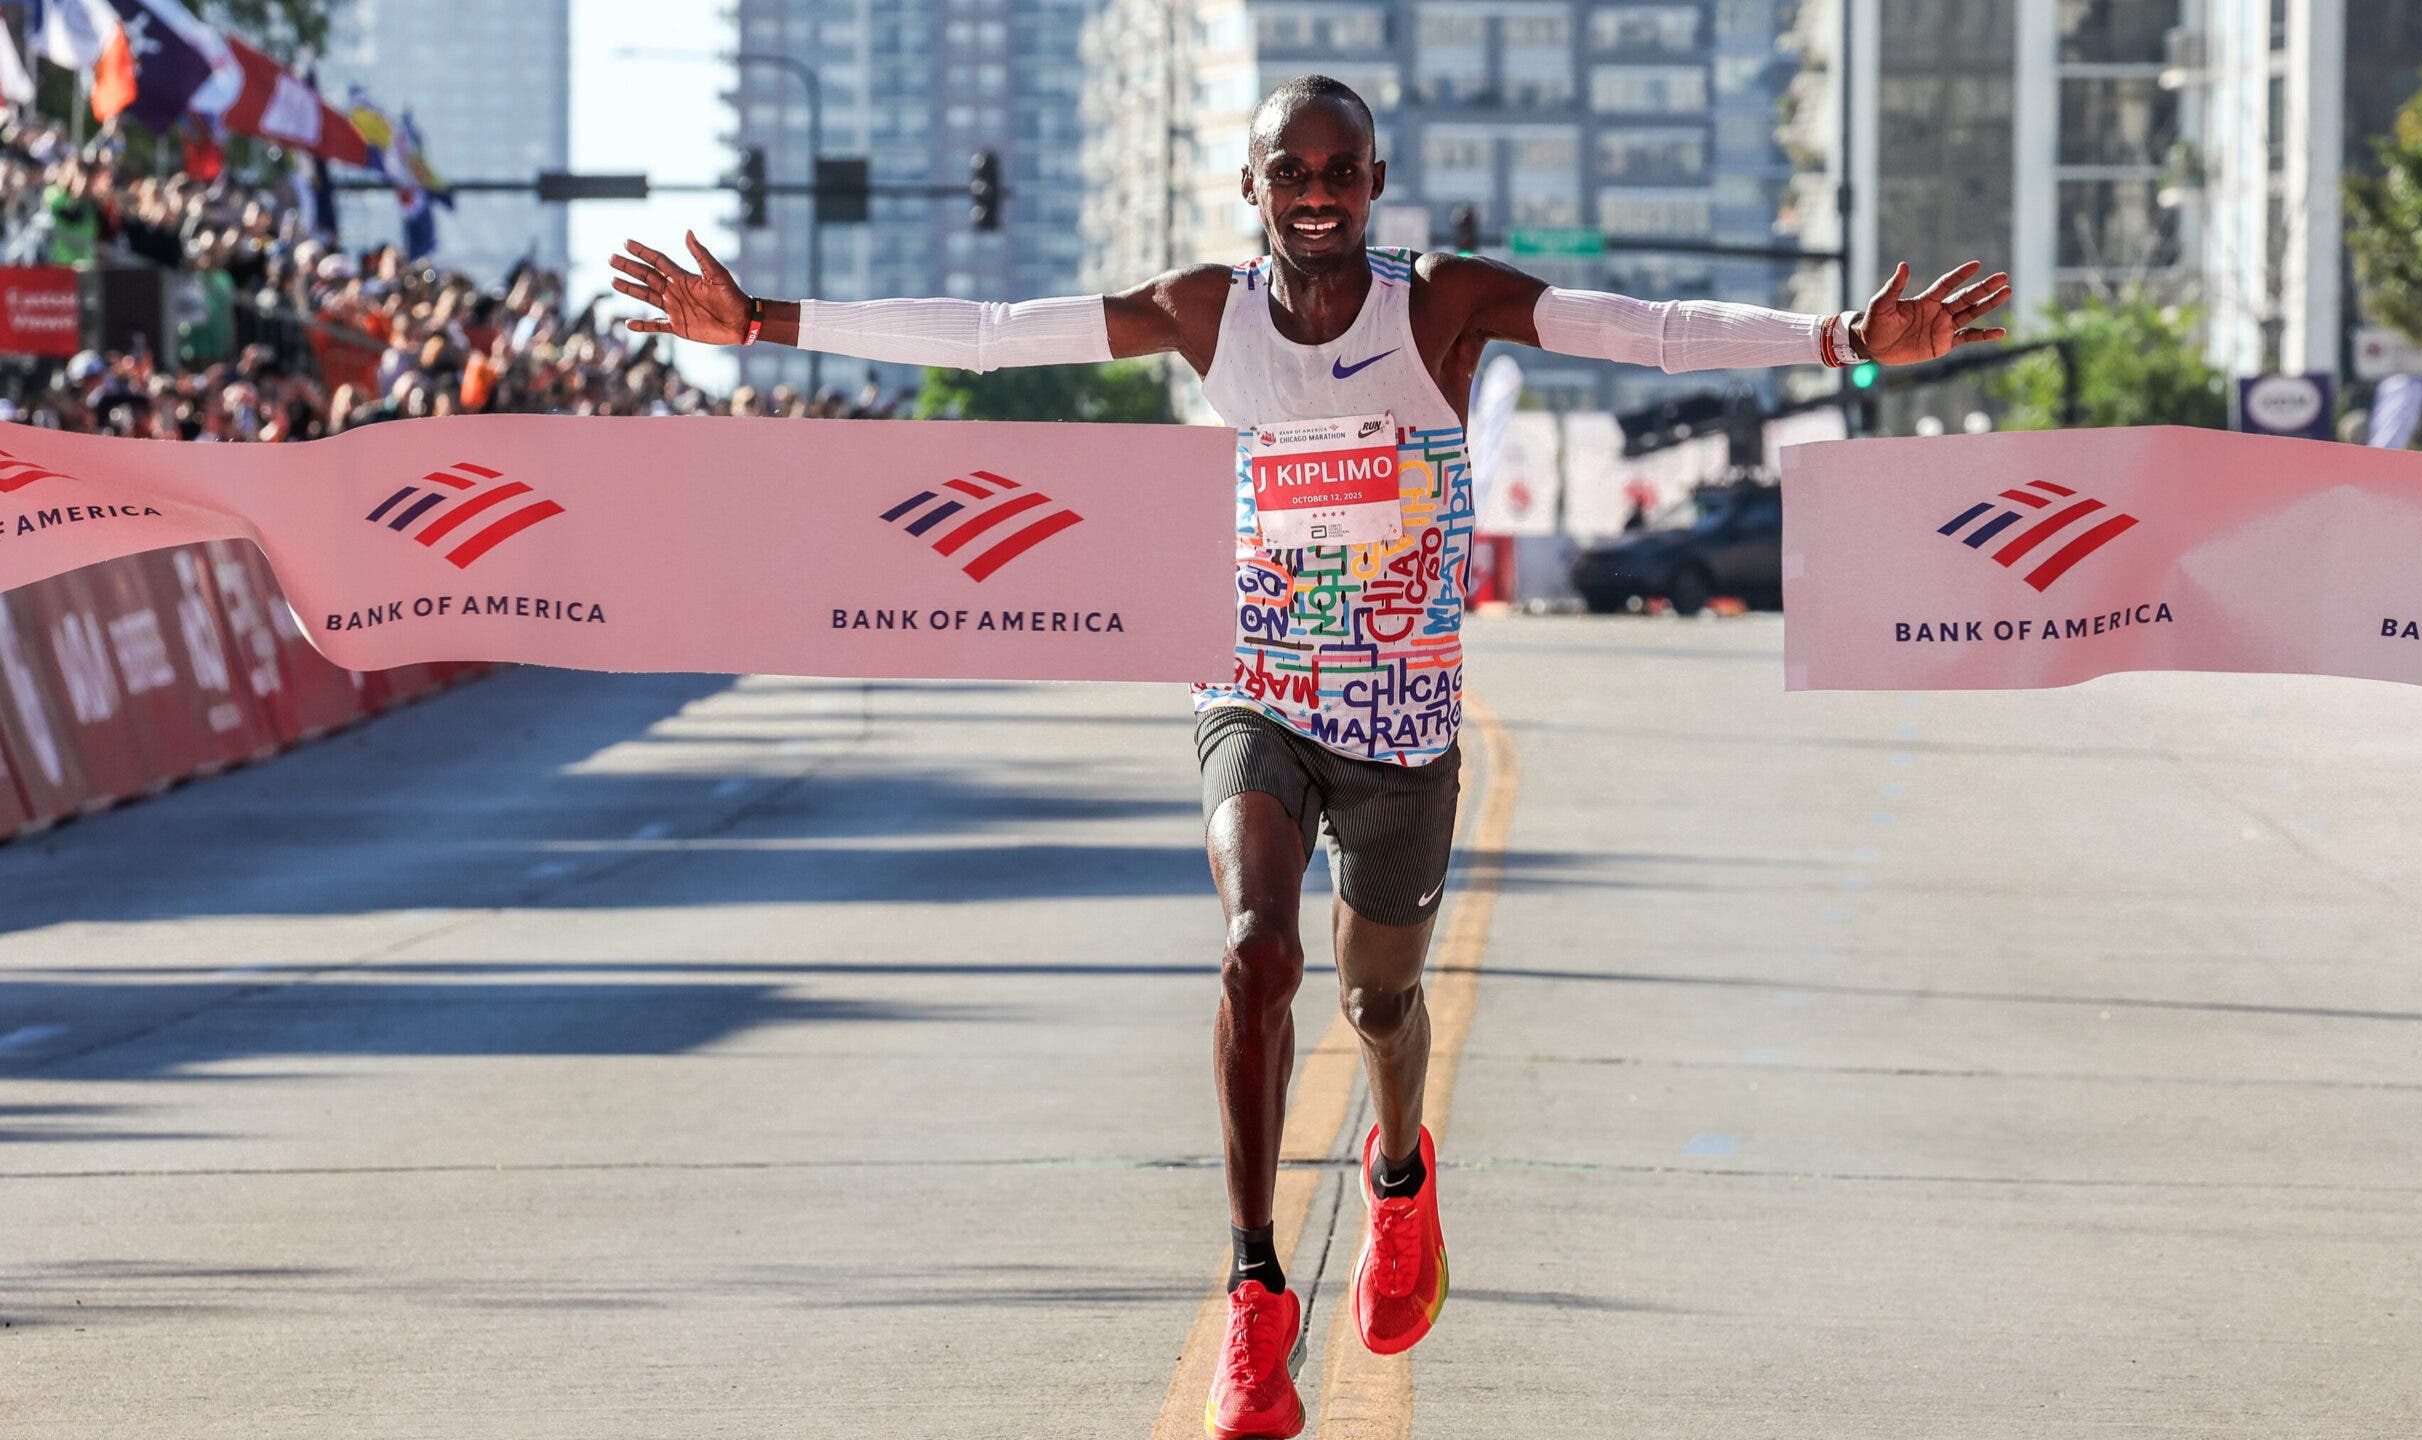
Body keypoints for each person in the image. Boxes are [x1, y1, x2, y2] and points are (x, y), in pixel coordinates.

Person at [611, 74, 2009, 1440]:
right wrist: (764, 319)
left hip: (1401, 721)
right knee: (1253, 955)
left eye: (1342, 171)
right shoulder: (1204, 311)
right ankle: (1255, 1288)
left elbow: (1645, 332)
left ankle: (1399, 1177)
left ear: (1377, 185)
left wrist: (1840, 339)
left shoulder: (1442, 304)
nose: (1319, 195)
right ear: (1253, 188)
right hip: (1256, 690)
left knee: (1379, 1006)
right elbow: (991, 330)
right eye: (1293, 173)